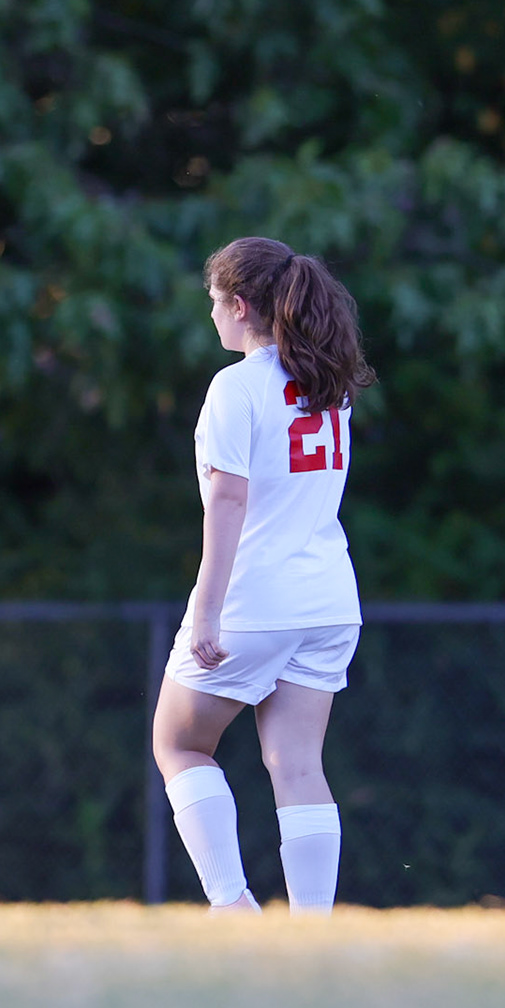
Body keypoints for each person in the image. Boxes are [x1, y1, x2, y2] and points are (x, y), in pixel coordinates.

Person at [150, 236, 376, 915]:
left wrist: (208, 611)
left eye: (216, 304)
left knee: (180, 743)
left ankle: (232, 909)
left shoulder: (236, 387)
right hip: (330, 601)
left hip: (256, 600)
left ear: (240, 306)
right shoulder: (326, 378)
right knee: (298, 763)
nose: (213, 317)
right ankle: (312, 931)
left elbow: (228, 499)